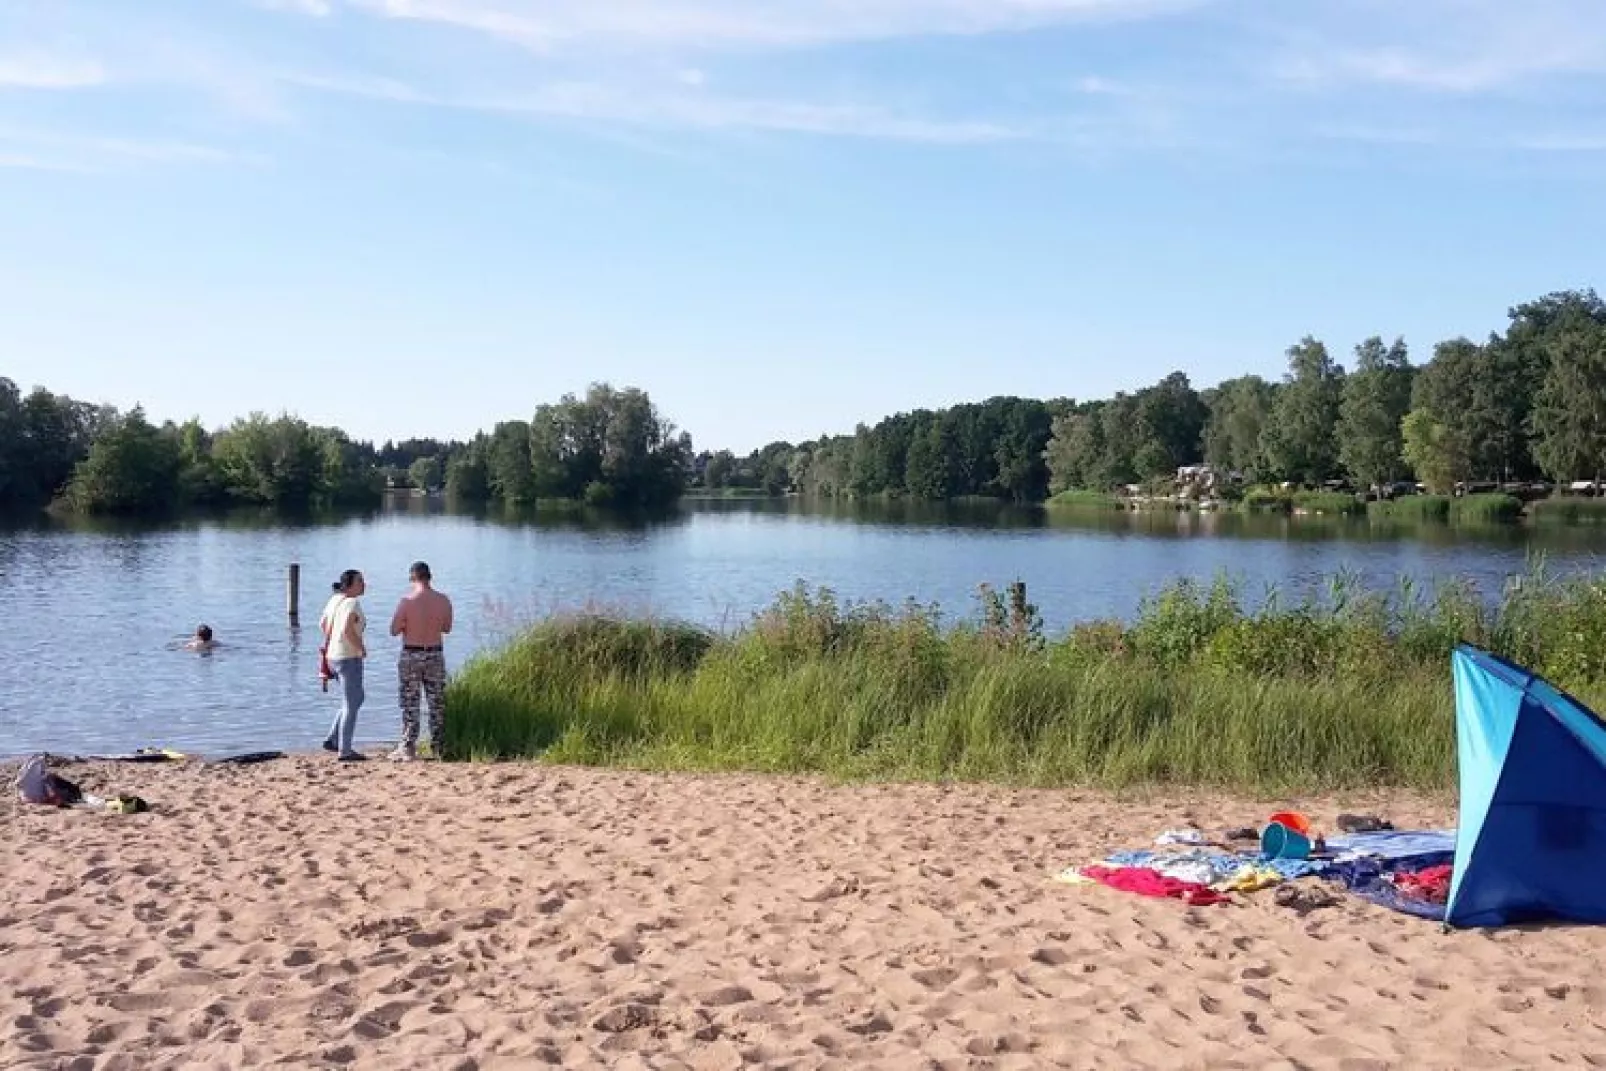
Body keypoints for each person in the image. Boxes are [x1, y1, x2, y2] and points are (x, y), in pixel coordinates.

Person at [388, 561, 453, 762]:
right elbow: (447, 628)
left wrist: (410, 624)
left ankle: (408, 747)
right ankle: (439, 746)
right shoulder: (443, 600)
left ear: (412, 578)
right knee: (437, 702)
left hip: (411, 654)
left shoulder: (407, 601)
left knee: (410, 702)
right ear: (429, 577)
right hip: (435, 653)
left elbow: (393, 630)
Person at [319, 569, 369, 762]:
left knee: (356, 698)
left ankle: (333, 738)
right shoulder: (352, 603)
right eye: (360, 582)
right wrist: (360, 648)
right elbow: (348, 630)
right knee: (351, 702)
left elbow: (323, 624)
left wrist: (335, 641)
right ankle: (345, 750)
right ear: (350, 585)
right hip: (348, 657)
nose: (364, 584)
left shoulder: (335, 600)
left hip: (332, 656)